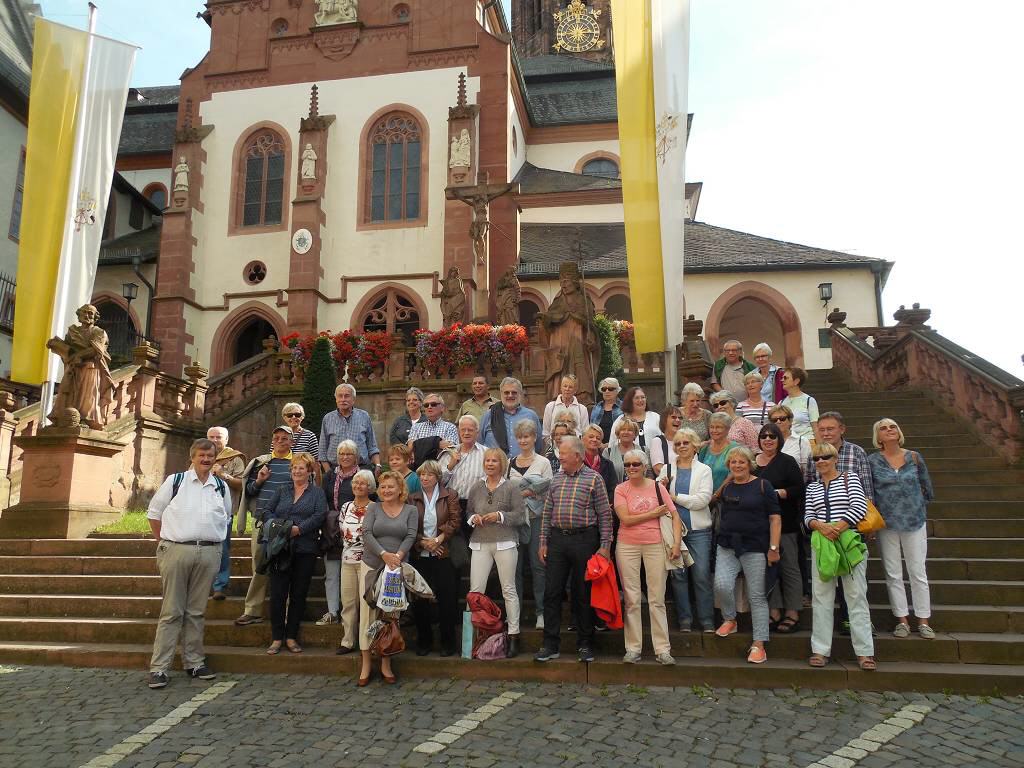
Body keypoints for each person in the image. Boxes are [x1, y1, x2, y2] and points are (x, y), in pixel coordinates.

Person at [146, 438, 232, 689]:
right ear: (192, 457)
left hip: (209, 552)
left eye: (210, 456)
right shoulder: (176, 481)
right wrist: (164, 542)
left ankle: (194, 662)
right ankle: (159, 668)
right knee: (172, 611)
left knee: (196, 611)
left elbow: (226, 517)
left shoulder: (220, 486)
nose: (206, 459)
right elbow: (154, 514)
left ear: (215, 458)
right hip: (176, 550)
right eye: (201, 455)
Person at [535, 436, 613, 664]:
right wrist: (543, 542)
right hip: (558, 540)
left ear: (577, 456)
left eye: (563, 453)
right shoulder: (556, 479)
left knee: (583, 593)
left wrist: (605, 546)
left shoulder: (594, 478)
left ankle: (585, 643)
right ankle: (550, 644)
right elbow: (547, 513)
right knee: (552, 592)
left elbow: (604, 515)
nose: (559, 457)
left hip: (584, 539)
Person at [805, 442, 875, 670]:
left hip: (849, 541)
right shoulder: (812, 487)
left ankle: (864, 652)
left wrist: (837, 527)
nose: (821, 461)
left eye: (825, 457)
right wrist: (820, 527)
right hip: (823, 543)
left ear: (835, 458)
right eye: (816, 458)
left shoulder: (850, 478)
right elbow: (808, 516)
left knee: (856, 596)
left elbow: (859, 507)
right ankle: (820, 649)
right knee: (821, 597)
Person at [712, 446, 781, 664]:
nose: (737, 465)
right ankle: (730, 619)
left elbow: (775, 518)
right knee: (721, 585)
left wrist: (773, 548)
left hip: (755, 546)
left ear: (750, 464)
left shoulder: (763, 485)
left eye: (741, 462)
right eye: (733, 462)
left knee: (756, 596)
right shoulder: (728, 487)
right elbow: (715, 499)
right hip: (727, 545)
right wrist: (728, 480)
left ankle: (759, 643)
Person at [868, 418, 936, 639]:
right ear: (878, 436)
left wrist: (916, 505)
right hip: (886, 522)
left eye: (893, 427)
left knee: (918, 570)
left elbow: (927, 487)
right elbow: (870, 491)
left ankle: (923, 619)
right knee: (893, 572)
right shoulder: (872, 461)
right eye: (884, 428)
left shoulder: (914, 457)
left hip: (914, 520)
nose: (889, 430)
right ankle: (902, 619)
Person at [614, 449, 680, 665]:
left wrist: (676, 544)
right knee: (631, 599)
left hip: (655, 544)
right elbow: (625, 519)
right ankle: (633, 648)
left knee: (657, 598)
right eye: (627, 464)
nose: (631, 468)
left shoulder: (657, 487)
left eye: (636, 464)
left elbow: (675, 515)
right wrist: (652, 514)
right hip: (627, 544)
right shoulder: (620, 489)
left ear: (644, 466)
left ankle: (663, 649)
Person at [263, 452, 328, 655]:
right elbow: (267, 511)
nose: (297, 471)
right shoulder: (282, 490)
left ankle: (291, 636)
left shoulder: (317, 493)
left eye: (302, 468)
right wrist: (279, 526)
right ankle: (276, 637)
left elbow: (320, 515)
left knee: (298, 594)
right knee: (278, 594)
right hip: (280, 549)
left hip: (305, 549)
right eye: (294, 468)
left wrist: (299, 529)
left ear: (309, 471)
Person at [466, 448, 528, 657]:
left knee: (508, 589)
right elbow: (469, 511)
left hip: (505, 542)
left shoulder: (511, 487)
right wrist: (473, 518)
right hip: (480, 542)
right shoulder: (476, 487)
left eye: (494, 461)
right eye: (487, 460)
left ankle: (514, 635)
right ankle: (474, 636)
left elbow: (520, 515)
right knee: (475, 592)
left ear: (502, 464)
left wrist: (500, 516)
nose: (490, 464)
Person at [358, 471, 418, 685]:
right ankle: (366, 664)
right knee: (368, 615)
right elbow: (367, 533)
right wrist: (383, 554)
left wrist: (397, 557)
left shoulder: (411, 510)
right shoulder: (373, 508)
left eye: (391, 486)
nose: (386, 490)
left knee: (390, 615)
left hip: (395, 568)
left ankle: (386, 662)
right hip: (372, 565)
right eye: (383, 487)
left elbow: (411, 535)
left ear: (400, 489)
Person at [234, 425, 295, 627]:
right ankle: (252, 610)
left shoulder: (298, 463)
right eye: (276, 438)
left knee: (287, 569)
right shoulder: (261, 463)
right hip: (262, 522)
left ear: (291, 441)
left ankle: (286, 612)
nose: (280, 441)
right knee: (259, 567)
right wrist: (260, 480)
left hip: (286, 524)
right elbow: (249, 492)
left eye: (284, 438)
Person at [658, 428, 715, 633]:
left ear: (694, 445)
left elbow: (702, 501)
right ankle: (685, 620)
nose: (682, 446)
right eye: (678, 443)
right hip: (673, 533)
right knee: (679, 576)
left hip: (699, 531)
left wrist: (674, 497)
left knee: (701, 575)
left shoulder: (704, 470)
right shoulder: (666, 469)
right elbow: (657, 499)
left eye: (686, 442)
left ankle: (707, 620)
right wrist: (662, 487)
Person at [753, 423, 805, 634]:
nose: (768, 439)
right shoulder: (753, 462)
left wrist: (780, 493)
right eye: (764, 436)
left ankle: (792, 611)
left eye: (772, 436)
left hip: (786, 523)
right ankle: (774, 610)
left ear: (779, 440)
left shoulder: (787, 461)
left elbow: (799, 488)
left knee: (789, 567)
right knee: (767, 569)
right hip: (759, 524)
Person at [409, 460, 462, 656]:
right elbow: (407, 525)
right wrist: (423, 542)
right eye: (422, 474)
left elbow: (455, 521)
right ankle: (424, 641)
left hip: (443, 553)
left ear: (438, 477)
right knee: (420, 600)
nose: (424, 478)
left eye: (429, 474)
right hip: (420, 553)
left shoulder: (450, 495)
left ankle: (448, 642)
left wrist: (439, 539)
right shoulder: (412, 498)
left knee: (447, 599)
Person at [507, 420, 553, 630]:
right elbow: (507, 492)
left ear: (534, 437)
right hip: (515, 521)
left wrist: (525, 492)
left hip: (536, 519)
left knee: (538, 566)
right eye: (520, 437)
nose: (523, 440)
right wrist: (529, 491)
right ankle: (513, 613)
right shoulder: (509, 463)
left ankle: (541, 612)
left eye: (527, 436)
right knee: (514, 568)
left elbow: (549, 491)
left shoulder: (543, 463)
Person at [319, 440, 361, 627]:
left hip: (356, 530)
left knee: (354, 575)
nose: (345, 457)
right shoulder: (330, 475)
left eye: (349, 454)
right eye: (342, 454)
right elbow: (323, 500)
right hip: (332, 530)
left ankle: (352, 613)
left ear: (356, 456)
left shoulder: (362, 475)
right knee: (332, 572)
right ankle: (332, 611)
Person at [335, 469, 376, 655]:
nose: (358, 486)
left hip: (368, 561)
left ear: (370, 487)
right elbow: (342, 531)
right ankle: (348, 641)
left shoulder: (375, 508)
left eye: (362, 483)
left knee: (367, 605)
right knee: (348, 602)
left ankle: (367, 643)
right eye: (355, 482)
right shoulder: (345, 507)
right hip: (347, 560)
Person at [207, 426, 246, 601]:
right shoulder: (201, 455)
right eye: (211, 437)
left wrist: (223, 475)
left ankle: (219, 585)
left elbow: (242, 484)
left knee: (221, 548)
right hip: (200, 510)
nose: (214, 440)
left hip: (224, 511)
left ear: (227, 439)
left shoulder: (235, 458)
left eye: (219, 437)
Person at [319, 383, 381, 473]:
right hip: (335, 470)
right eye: (340, 396)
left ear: (353, 399)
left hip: (361, 470)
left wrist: (378, 465)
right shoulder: (328, 418)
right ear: (336, 399)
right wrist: (329, 472)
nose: (343, 399)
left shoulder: (364, 416)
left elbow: (372, 446)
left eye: (347, 396)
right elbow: (322, 450)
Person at [480, 376, 543, 458]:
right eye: (506, 393)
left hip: (524, 464)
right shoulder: (489, 415)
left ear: (520, 394)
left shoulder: (531, 416)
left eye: (514, 392)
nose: (510, 395)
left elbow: (538, 445)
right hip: (495, 465)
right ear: (501, 394)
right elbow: (479, 443)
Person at [698, 412, 741, 493]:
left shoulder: (735, 448)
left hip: (727, 494)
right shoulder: (704, 447)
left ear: (728, 429)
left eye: (718, 427)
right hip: (704, 494)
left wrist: (717, 494)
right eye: (711, 427)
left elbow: (732, 475)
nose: (714, 430)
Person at [543, 374, 590, 438]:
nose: (567, 389)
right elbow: (545, 433)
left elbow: (585, 434)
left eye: (570, 387)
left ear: (575, 390)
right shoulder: (550, 407)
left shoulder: (582, 409)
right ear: (561, 387)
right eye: (565, 386)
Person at [780, 367, 819, 440]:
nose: (782, 380)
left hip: (807, 442)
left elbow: (815, 427)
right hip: (788, 443)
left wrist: (820, 445)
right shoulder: (781, 403)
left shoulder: (809, 400)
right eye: (782, 378)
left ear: (796, 381)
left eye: (785, 378)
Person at [770, 404, 812, 469]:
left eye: (782, 419)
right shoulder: (767, 441)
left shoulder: (802, 441)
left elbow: (807, 468)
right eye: (774, 420)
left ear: (790, 420)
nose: (778, 422)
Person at [603, 418, 643, 484]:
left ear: (635, 434)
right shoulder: (607, 452)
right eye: (623, 430)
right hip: (615, 489)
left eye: (630, 430)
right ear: (618, 434)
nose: (626, 432)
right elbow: (605, 476)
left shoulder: (644, 451)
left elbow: (649, 475)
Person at [650, 406, 683, 477]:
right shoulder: (658, 441)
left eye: (680, 418)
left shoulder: (687, 442)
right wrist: (678, 477)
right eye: (673, 417)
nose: (678, 420)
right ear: (664, 421)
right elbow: (658, 468)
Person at [590, 377, 623, 445]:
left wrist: (608, 445)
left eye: (610, 389)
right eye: (604, 389)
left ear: (617, 391)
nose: (607, 391)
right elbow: (591, 429)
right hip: (597, 446)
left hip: (617, 446)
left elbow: (626, 431)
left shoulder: (624, 407)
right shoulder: (596, 408)